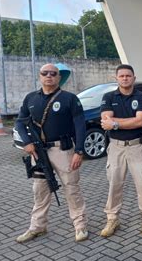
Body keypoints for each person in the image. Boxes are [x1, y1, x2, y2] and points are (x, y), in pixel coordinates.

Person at [15, 63, 88, 243]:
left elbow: (80, 125)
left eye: (53, 73)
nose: (49, 76)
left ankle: (80, 226)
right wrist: (27, 142)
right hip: (38, 151)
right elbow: (19, 123)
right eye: (45, 73)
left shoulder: (69, 98)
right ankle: (37, 227)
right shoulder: (30, 98)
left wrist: (79, 150)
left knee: (71, 188)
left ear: (58, 77)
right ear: (40, 76)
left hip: (62, 150)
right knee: (39, 190)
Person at [99, 64, 142, 237]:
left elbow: (140, 121)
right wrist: (126, 120)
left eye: (128, 76)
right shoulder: (108, 97)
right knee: (114, 185)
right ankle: (112, 219)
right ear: (116, 78)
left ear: (134, 78)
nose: (125, 78)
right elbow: (105, 119)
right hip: (115, 147)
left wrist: (115, 123)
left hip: (137, 147)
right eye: (121, 76)